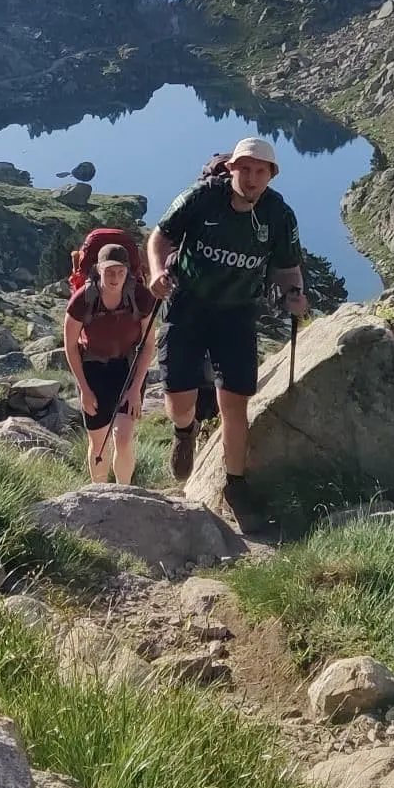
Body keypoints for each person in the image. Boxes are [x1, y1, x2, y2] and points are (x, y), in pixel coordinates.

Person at [146, 136, 306, 521]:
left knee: (234, 403)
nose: (252, 178)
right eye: (245, 169)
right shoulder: (202, 198)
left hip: (237, 313)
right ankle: (184, 432)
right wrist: (156, 272)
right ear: (232, 168)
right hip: (188, 304)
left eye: (260, 171)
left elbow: (287, 267)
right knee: (179, 399)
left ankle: (235, 484)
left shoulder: (279, 214)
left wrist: (295, 296)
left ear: (271, 175)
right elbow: (161, 237)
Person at [63, 242, 159, 484]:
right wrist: (84, 390)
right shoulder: (82, 301)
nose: (115, 278)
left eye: (120, 271)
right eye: (109, 271)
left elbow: (148, 344)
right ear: (98, 270)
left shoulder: (141, 297)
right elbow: (71, 347)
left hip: (128, 368)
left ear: (127, 271)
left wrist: (135, 390)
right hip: (93, 371)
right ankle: (100, 492)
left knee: (123, 439)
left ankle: (123, 493)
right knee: (98, 442)